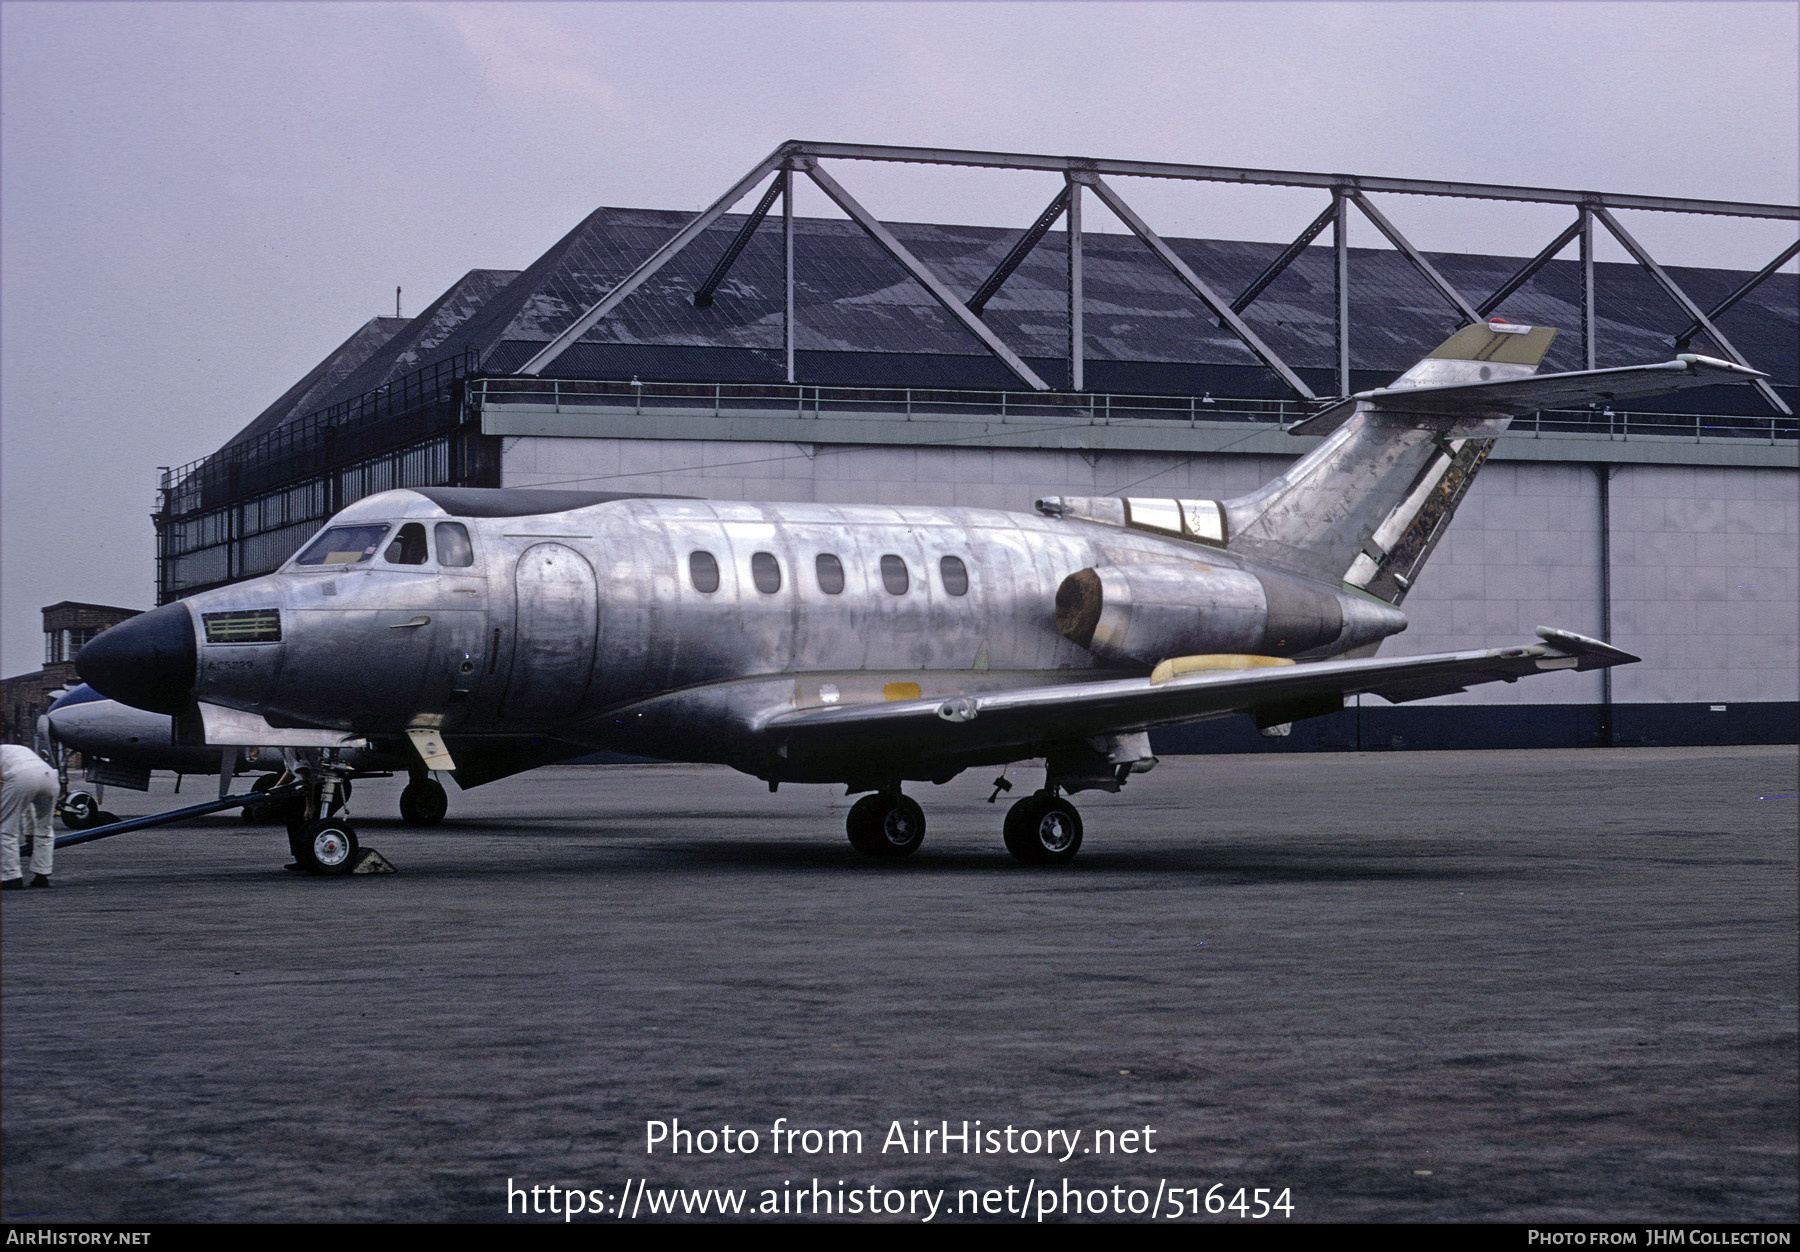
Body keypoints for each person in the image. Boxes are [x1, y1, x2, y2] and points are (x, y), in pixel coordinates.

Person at [2, 742, 59, 888]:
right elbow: (26, 805)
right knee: (45, 826)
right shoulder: (16, 749)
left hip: (21, 776)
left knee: (6, 828)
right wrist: (29, 835)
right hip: (49, 776)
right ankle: (42, 874)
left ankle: (11, 877)